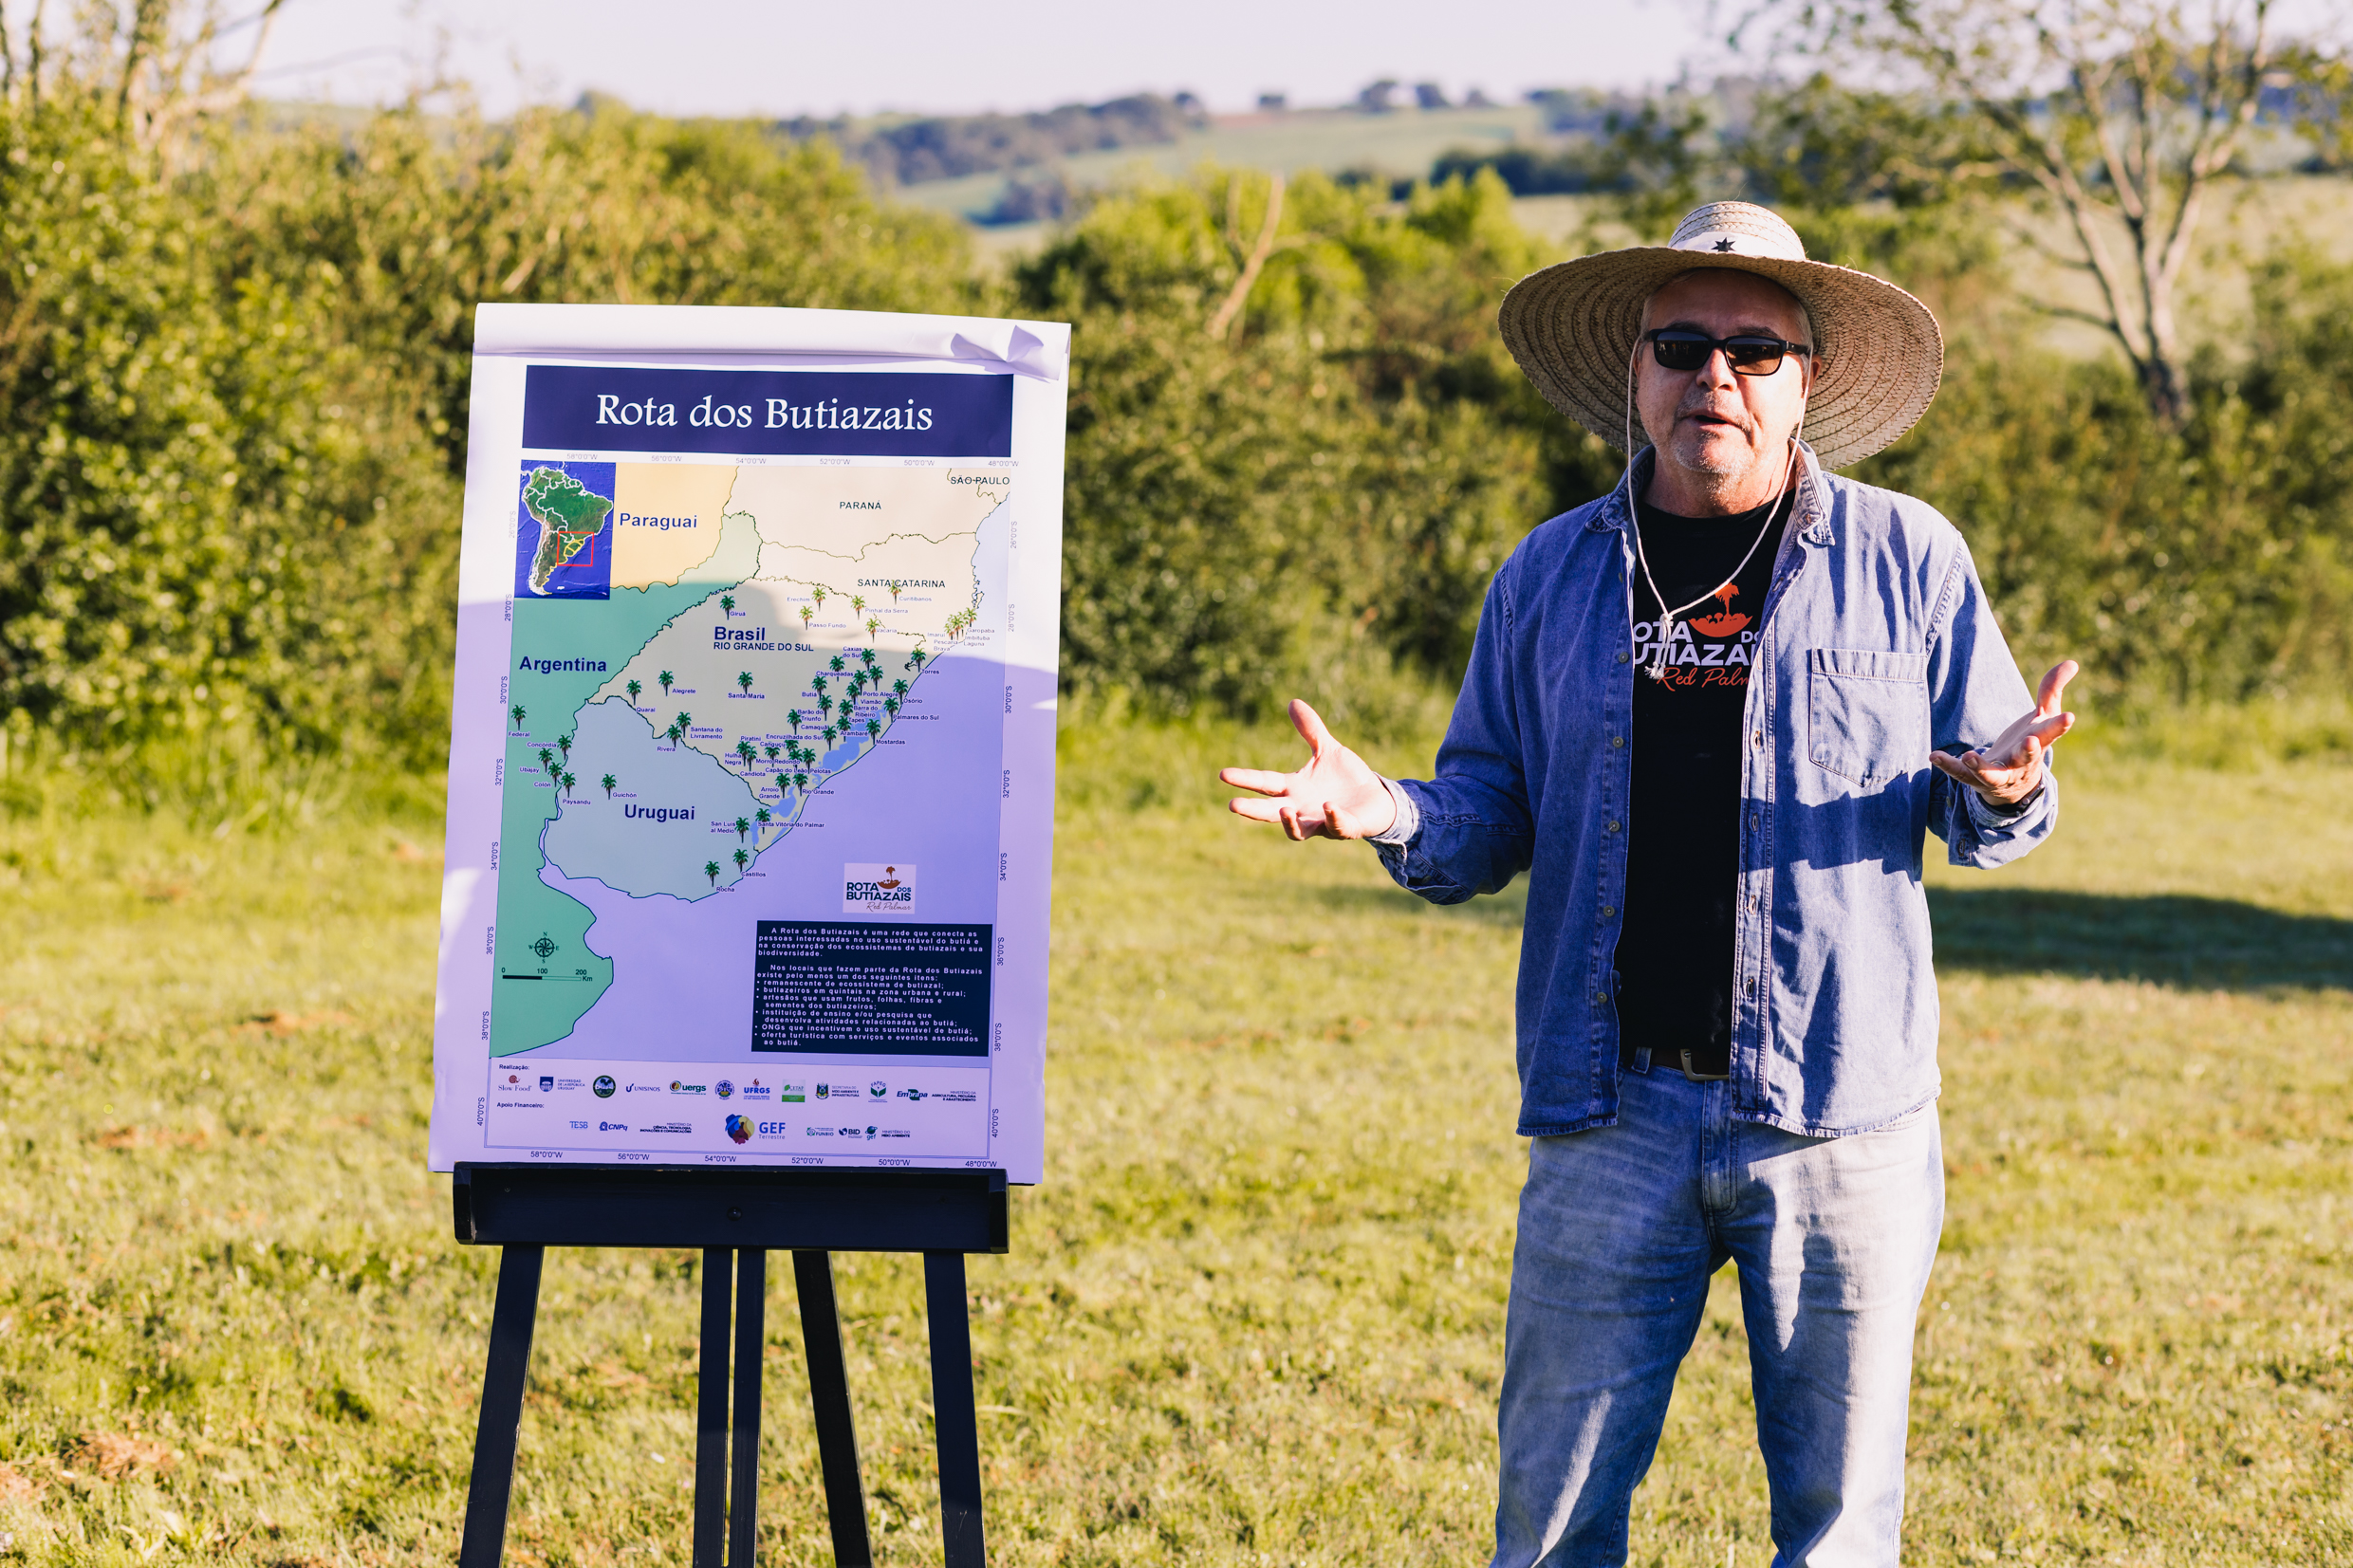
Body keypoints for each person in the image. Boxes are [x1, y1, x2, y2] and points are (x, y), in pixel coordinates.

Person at [1219, 201, 2077, 1566]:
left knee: (1840, 1534)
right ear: (1635, 370)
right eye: (1682, 344)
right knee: (1551, 1531)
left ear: (1807, 382)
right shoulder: (1549, 575)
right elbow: (1485, 813)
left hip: (1838, 1120)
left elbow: (1991, 794)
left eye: (1754, 350)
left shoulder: (1911, 561)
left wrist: (2013, 789)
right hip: (1608, 1118)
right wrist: (1380, 805)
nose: (1714, 377)